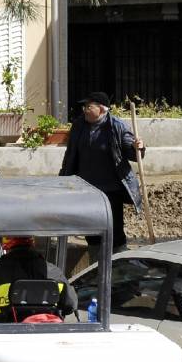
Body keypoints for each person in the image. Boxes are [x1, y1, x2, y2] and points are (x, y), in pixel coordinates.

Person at [58, 91, 145, 251]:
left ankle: (118, 260)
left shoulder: (116, 126)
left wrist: (137, 147)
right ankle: (95, 261)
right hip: (85, 189)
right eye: (84, 106)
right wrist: (64, 177)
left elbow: (131, 151)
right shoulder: (79, 126)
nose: (84, 109)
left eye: (88, 106)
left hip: (110, 190)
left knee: (114, 228)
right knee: (91, 229)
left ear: (102, 109)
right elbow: (70, 154)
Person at [0, 236, 77, 323]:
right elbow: (71, 305)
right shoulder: (55, 273)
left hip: (3, 337)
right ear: (32, 243)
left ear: (6, 244)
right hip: (46, 334)